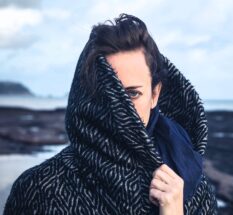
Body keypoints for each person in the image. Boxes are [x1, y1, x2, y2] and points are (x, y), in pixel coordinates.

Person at [4, 13, 218, 215]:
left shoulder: (194, 191)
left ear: (155, 94)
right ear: (89, 95)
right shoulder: (39, 189)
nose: (120, 107)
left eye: (133, 93)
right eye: (110, 94)